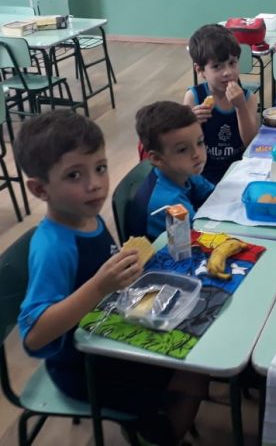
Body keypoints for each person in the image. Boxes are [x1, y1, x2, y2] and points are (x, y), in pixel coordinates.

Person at [15, 110, 206, 445]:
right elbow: (34, 336)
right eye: (74, 175)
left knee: (197, 349)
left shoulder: (88, 217)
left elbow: (102, 281)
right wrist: (99, 286)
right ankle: (158, 436)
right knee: (193, 376)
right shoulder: (53, 247)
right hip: (82, 367)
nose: (95, 184)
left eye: (100, 168)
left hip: (109, 335)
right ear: (39, 189)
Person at [183, 24, 258, 185]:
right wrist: (190, 123)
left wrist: (240, 107)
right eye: (217, 66)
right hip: (204, 178)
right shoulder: (194, 97)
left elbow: (251, 143)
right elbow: (183, 146)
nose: (228, 72)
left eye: (232, 63)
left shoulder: (248, 98)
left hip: (240, 174)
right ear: (200, 70)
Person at [130, 101, 214, 241]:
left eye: (199, 142)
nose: (197, 154)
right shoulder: (169, 203)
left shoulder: (184, 171)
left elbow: (213, 195)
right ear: (157, 158)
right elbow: (198, 240)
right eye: (182, 149)